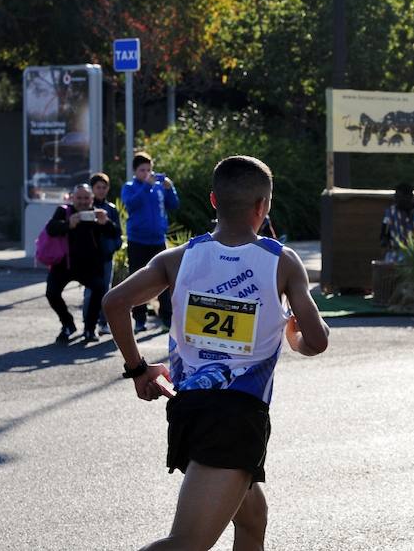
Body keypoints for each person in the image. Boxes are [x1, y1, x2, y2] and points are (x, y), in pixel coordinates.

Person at [103, 155, 329, 550]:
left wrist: (138, 369)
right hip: (236, 417)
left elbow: (115, 303)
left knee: (253, 519)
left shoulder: (178, 257)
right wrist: (293, 334)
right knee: (187, 543)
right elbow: (317, 340)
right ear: (264, 206)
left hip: (189, 411)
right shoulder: (282, 262)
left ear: (213, 201)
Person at [46, 183, 121, 343]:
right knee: (52, 293)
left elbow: (114, 233)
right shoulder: (64, 211)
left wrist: (105, 222)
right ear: (72, 198)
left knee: (99, 289)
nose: (82, 201)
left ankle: (90, 328)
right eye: (79, 198)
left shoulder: (96, 214)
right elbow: (50, 229)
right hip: (63, 264)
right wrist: (67, 224)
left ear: (92, 199)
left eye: (86, 198)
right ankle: (67, 324)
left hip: (90, 266)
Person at [121, 151, 180, 333]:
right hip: (137, 240)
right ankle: (139, 319)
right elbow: (130, 204)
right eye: (142, 170)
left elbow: (174, 205)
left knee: (164, 280)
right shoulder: (130, 186)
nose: (147, 173)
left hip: (157, 240)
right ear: (135, 171)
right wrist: (146, 186)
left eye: (149, 169)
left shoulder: (159, 187)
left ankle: (166, 319)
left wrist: (171, 189)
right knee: (136, 281)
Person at [83, 172, 123, 335]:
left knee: (105, 290)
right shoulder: (86, 208)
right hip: (89, 258)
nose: (101, 190)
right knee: (90, 291)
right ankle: (88, 322)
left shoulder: (111, 209)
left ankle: (103, 322)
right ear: (92, 189)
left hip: (106, 256)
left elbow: (117, 232)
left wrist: (113, 246)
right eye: (98, 187)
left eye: (104, 187)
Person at [380, 182, 414, 262]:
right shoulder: (390, 213)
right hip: (396, 253)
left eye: (399, 197)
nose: (395, 199)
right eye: (396, 196)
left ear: (409, 197)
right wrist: (386, 243)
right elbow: (384, 234)